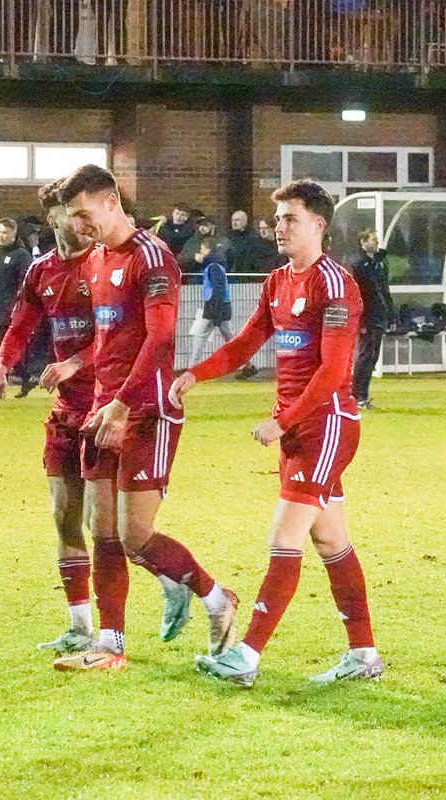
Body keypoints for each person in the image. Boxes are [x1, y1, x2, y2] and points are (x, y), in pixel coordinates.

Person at [172, 180, 383, 688]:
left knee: (284, 536)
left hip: (326, 425)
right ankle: (364, 654)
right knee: (331, 540)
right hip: (298, 428)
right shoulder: (278, 281)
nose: (279, 227)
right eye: (278, 218)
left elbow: (333, 372)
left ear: (318, 225)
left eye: (290, 218)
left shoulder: (336, 285)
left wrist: (282, 421)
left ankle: (246, 656)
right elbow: (245, 343)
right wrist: (194, 374)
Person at [52, 164, 239, 671]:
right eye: (71, 217)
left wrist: (121, 403)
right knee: (101, 529)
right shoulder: (94, 261)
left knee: (135, 535)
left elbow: (159, 339)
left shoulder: (152, 257)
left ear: (110, 201)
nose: (77, 225)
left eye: (83, 214)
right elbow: (106, 339)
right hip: (103, 409)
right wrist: (79, 368)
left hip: (147, 411)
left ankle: (215, 598)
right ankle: (110, 644)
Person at [0, 178, 100, 656]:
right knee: (64, 515)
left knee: (111, 528)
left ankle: (184, 587)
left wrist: (75, 362)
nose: (82, 221)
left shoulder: (107, 264)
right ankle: (80, 626)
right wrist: (1, 368)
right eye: (72, 213)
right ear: (53, 220)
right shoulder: (41, 271)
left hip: (109, 408)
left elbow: (124, 336)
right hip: (67, 410)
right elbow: (21, 324)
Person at [0, 217, 36, 396]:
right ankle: (25, 376)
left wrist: (17, 304)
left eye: (5, 232)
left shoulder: (21, 255)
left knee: (6, 346)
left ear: (13, 234)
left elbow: (25, 283)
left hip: (10, 308)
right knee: (0, 347)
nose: (1, 236)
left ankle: (2, 383)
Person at [350, 229, 394, 409]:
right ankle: (357, 396)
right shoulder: (358, 265)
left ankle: (362, 395)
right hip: (367, 316)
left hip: (379, 314)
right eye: (373, 239)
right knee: (366, 355)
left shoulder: (380, 263)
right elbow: (357, 294)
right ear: (363, 243)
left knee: (373, 356)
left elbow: (384, 289)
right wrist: (360, 321)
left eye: (377, 239)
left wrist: (390, 312)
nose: (376, 242)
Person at [188, 238, 236, 364]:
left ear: (207, 249)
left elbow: (217, 289)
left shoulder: (212, 267)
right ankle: (248, 364)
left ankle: (192, 367)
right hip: (221, 306)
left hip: (213, 307)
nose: (200, 251)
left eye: (202, 248)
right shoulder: (216, 265)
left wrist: (215, 312)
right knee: (230, 338)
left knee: (200, 336)